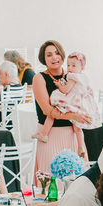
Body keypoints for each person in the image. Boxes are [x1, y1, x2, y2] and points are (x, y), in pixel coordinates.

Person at [32, 40, 88, 170]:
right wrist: (74, 115)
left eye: (57, 53)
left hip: (71, 134)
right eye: (49, 55)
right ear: (44, 59)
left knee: (75, 176)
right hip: (49, 135)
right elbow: (47, 110)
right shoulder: (39, 78)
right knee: (49, 176)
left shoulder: (73, 76)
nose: (54, 57)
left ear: (62, 56)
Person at [34, 50, 97, 157]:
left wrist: (59, 86)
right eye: (68, 65)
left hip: (71, 107)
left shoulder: (72, 76)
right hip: (76, 107)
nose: (70, 68)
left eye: (73, 65)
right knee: (77, 128)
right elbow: (46, 110)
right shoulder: (83, 77)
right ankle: (80, 146)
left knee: (55, 108)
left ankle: (44, 134)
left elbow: (66, 90)